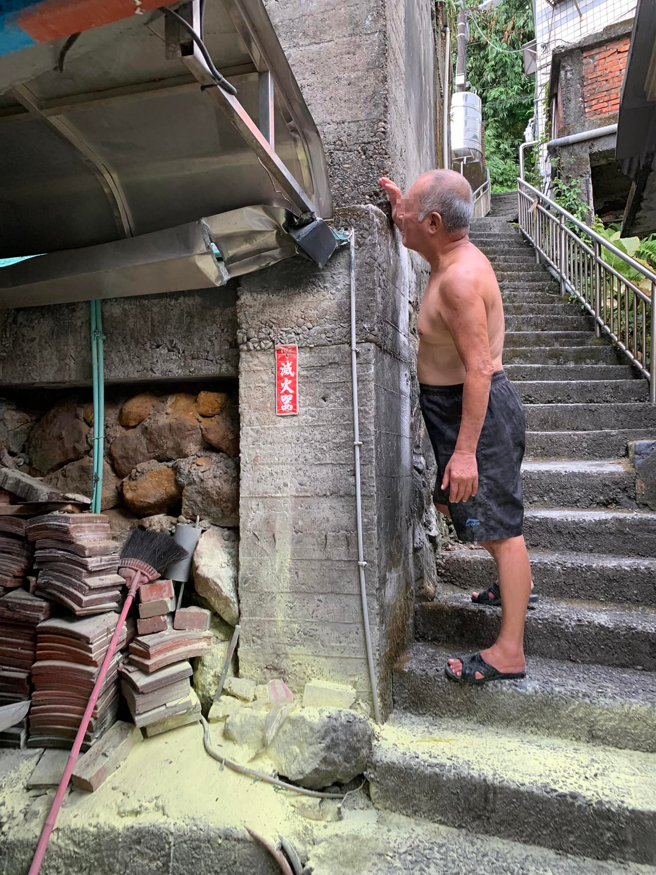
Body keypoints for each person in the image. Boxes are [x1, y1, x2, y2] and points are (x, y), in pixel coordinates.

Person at [379, 170, 532, 684]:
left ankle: (510, 651)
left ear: (436, 222)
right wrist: (405, 207)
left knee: (502, 531)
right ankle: (509, 587)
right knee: (455, 505)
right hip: (454, 409)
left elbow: (480, 369)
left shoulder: (460, 280)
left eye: (411, 212)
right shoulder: (447, 257)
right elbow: (420, 219)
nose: (401, 218)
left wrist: (466, 452)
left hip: (478, 414)